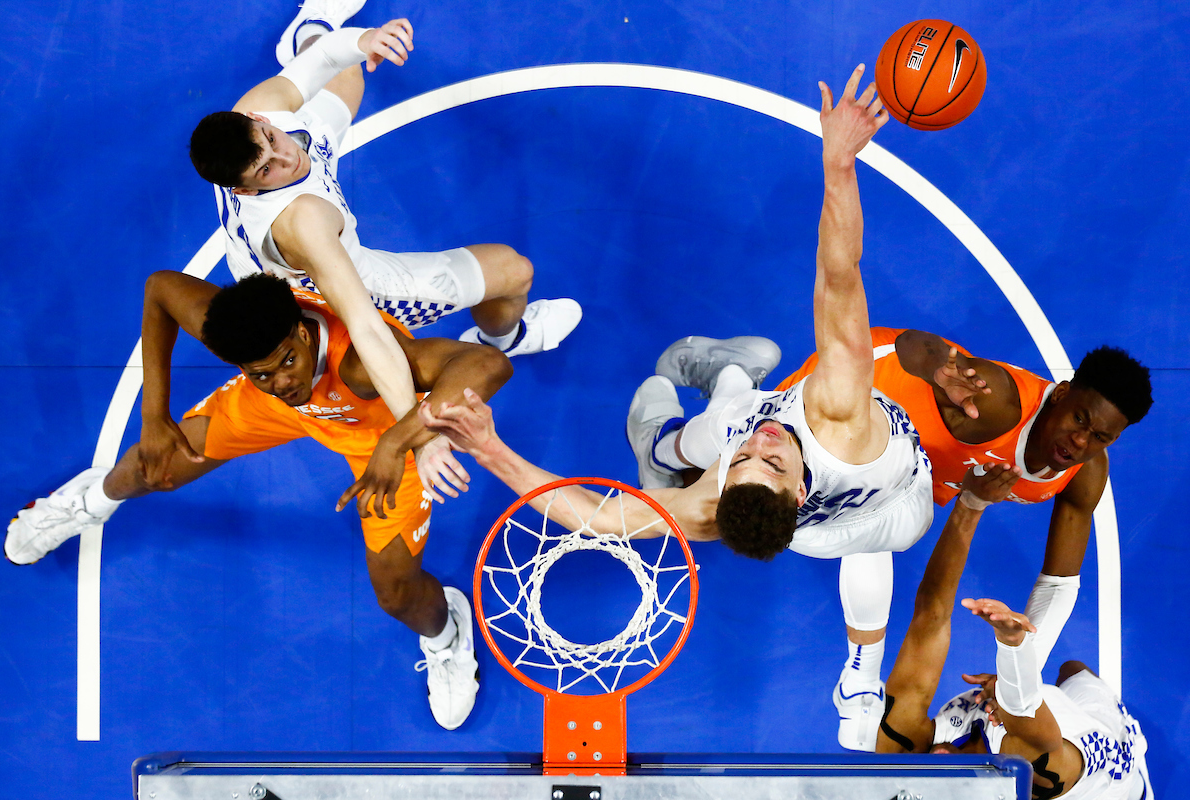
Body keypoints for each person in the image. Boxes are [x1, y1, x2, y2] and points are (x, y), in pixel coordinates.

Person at [420, 65, 935, 752]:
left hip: (860, 514)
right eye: (764, 459)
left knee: (736, 428)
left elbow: (594, 517)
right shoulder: (834, 411)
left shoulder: (719, 498)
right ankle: (691, 419)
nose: (762, 444)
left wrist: (491, 450)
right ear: (795, 491)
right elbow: (837, 280)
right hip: (897, 488)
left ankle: (674, 429)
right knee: (760, 443)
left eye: (750, 460)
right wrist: (839, 164)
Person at [6, 271, 512, 730]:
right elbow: (160, 288)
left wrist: (396, 443)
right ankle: (87, 501)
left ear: (303, 332)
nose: (283, 382)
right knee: (156, 464)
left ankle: (446, 634)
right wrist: (154, 415)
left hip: (380, 438)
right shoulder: (247, 338)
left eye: (287, 362)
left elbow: (487, 362)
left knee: (396, 594)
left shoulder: (360, 362)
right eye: (262, 372)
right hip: (276, 414)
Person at [189, 1, 581, 501]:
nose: (286, 155)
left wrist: (364, 39)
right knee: (513, 271)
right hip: (337, 279)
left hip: (264, 265)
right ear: (245, 189)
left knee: (345, 70)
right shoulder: (305, 222)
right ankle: (504, 336)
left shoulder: (258, 113)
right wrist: (418, 433)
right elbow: (367, 327)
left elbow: (318, 64)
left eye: (271, 138)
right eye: (266, 168)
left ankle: (309, 27)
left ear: (255, 122)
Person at [777, 328, 1153, 669]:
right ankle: (743, 379)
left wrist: (1019, 674)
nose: (1081, 441)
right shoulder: (995, 401)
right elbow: (912, 344)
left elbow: (1059, 583)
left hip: (910, 462)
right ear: (1061, 394)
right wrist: (939, 369)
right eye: (1080, 420)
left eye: (1100, 437)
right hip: (860, 389)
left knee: (872, 511)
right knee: (757, 497)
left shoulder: (1083, 473)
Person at [878, 463, 1151, 800]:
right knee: (1068, 671)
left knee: (1070, 670)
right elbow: (1023, 707)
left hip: (1046, 727)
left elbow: (930, 616)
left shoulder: (901, 752)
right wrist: (1011, 644)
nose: (939, 768)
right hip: (1112, 773)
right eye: (950, 783)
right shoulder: (1032, 769)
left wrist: (970, 504)